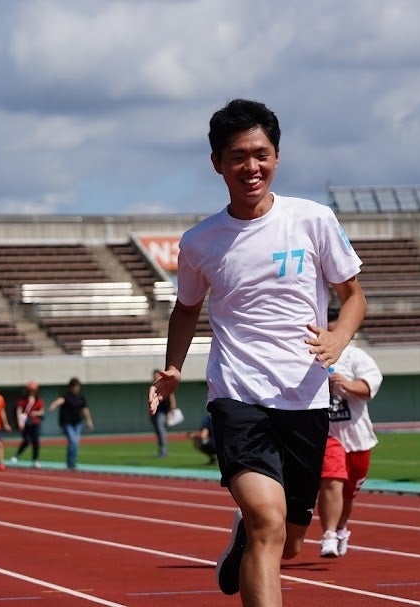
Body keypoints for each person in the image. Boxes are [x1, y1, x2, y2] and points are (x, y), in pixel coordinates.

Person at [147, 98, 367, 604]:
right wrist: (175, 368)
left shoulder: (313, 220)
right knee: (268, 522)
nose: (252, 167)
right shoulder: (201, 242)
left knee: (288, 542)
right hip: (238, 396)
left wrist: (338, 337)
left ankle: (243, 535)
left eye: (261, 154)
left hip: (304, 397)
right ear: (217, 163)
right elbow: (186, 309)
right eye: (239, 156)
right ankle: (253, 526)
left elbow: (353, 297)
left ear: (277, 156)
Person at [316, 320, 383, 558]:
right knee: (331, 480)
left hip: (358, 437)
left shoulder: (356, 357)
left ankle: (341, 527)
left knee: (349, 493)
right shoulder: (310, 355)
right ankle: (329, 535)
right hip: (328, 434)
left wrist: (346, 383)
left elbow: (369, 388)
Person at [48, 377, 94, 470]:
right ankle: (71, 463)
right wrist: (53, 405)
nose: (77, 388)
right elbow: (60, 400)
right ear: (71, 387)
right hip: (67, 423)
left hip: (78, 423)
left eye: (78, 387)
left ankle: (71, 463)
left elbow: (85, 409)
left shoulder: (81, 397)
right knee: (73, 441)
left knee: (75, 443)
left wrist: (89, 421)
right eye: (75, 387)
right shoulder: (66, 395)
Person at [12, 381, 45, 468]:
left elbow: (42, 411)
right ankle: (16, 455)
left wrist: (36, 413)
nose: (32, 392)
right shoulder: (23, 400)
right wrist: (19, 421)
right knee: (26, 440)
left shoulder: (39, 400)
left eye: (33, 390)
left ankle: (35, 460)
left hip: (35, 423)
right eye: (30, 390)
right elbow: (19, 410)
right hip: (26, 423)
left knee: (36, 441)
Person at [149, 369, 178, 458]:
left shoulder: (165, 384)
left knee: (161, 430)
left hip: (162, 411)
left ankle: (163, 451)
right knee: (158, 431)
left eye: (156, 375)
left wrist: (172, 407)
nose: (154, 377)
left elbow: (171, 395)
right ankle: (161, 450)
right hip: (155, 411)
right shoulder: (153, 386)